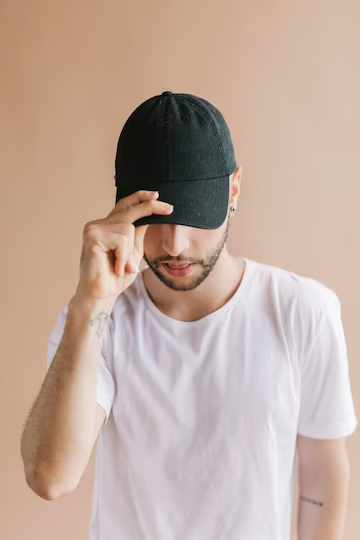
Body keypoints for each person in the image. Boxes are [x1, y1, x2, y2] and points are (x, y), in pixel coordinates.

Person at [21, 91, 357, 540]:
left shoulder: (302, 312)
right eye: (156, 216)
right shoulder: (99, 322)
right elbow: (51, 478)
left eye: (195, 216)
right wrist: (92, 302)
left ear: (233, 190)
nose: (175, 244)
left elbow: (321, 475)